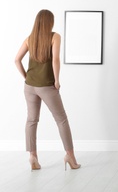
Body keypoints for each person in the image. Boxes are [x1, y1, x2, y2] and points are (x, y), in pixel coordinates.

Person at [15, 9, 80, 171]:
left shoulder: (30, 39)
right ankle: (70, 156)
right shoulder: (54, 36)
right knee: (61, 119)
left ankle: (33, 156)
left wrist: (26, 77)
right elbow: (56, 59)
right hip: (46, 86)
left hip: (29, 86)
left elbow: (16, 60)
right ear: (49, 22)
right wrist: (57, 80)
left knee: (31, 120)